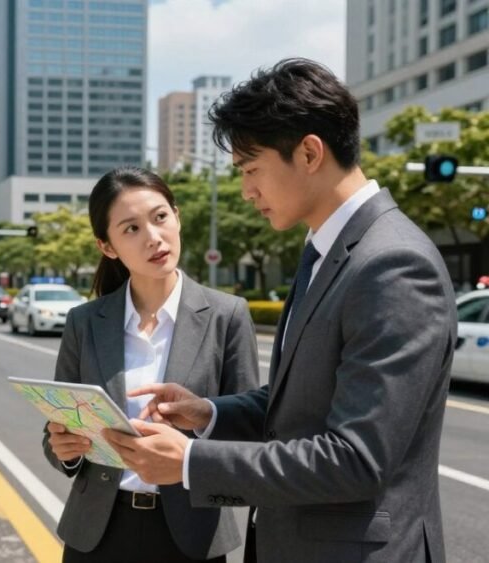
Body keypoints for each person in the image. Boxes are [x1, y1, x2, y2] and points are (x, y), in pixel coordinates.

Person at [103, 58, 456, 563]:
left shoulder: (393, 264)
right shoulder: (328, 252)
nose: (246, 191)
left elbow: (357, 459)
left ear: (309, 152)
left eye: (251, 169)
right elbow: (301, 403)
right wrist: (209, 413)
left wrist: (191, 462)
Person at [44, 167, 259, 562]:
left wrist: (198, 428)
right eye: (131, 228)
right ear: (107, 247)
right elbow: (58, 426)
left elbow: (248, 428)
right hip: (97, 532)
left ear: (177, 216)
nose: (153, 237)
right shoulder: (85, 322)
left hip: (192, 533)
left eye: (160, 217)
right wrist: (65, 449)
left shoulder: (227, 315)